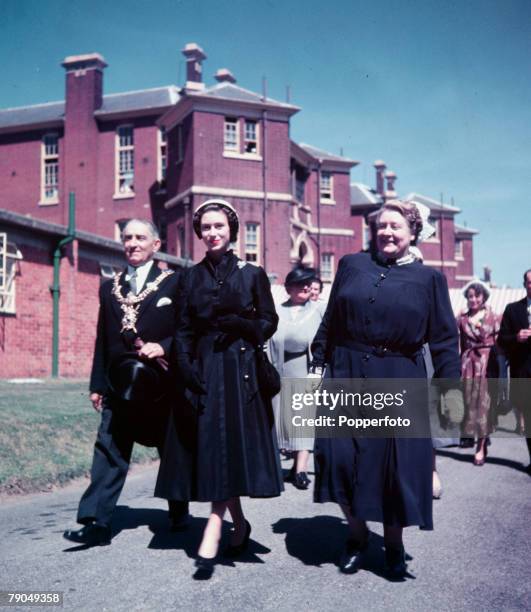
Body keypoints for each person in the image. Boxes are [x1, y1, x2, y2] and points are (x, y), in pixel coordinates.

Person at [310, 199, 462, 578]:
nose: (387, 233)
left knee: (392, 467)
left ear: (413, 234)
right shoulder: (351, 265)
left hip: (398, 373)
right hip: (344, 371)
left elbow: (444, 339)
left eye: (396, 227)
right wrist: (317, 364)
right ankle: (357, 535)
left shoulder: (430, 280)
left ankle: (393, 543)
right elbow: (331, 318)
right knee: (338, 458)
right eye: (382, 226)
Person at [155, 199, 282, 578]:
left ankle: (214, 524)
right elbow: (182, 330)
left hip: (241, 369)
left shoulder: (252, 273)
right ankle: (238, 524)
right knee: (215, 452)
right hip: (205, 368)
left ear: (231, 231)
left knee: (230, 451)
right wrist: (187, 369)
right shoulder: (189, 278)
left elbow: (268, 321)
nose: (212, 233)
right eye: (206, 228)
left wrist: (241, 325)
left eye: (219, 227)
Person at [63, 219, 188, 547]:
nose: (132, 243)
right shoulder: (110, 287)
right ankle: (96, 521)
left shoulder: (175, 283)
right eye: (127, 237)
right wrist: (97, 384)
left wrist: (165, 346)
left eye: (140, 237)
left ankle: (178, 507)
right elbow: (103, 338)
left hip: (160, 386)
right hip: (120, 386)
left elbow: (190, 331)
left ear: (156, 245)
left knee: (169, 449)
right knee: (109, 449)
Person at [269, 266, 323, 489]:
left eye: (308, 283)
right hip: (278, 366)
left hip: (305, 366)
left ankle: (300, 469)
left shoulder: (319, 309)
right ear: (288, 288)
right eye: (300, 283)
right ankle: (282, 465)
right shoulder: (276, 310)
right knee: (280, 417)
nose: (306, 287)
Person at [457, 280, 500, 465]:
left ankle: (480, 447)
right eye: (470, 296)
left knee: (484, 405)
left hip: (487, 363)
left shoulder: (494, 317)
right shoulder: (461, 319)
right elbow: (458, 344)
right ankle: (478, 439)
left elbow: (500, 344)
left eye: (477, 296)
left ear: (484, 297)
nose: (473, 299)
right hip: (468, 364)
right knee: (470, 405)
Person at [498, 268, 531, 474]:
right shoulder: (512, 310)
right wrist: (516, 338)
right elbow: (502, 340)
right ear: (525, 284)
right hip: (523, 372)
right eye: (529, 282)